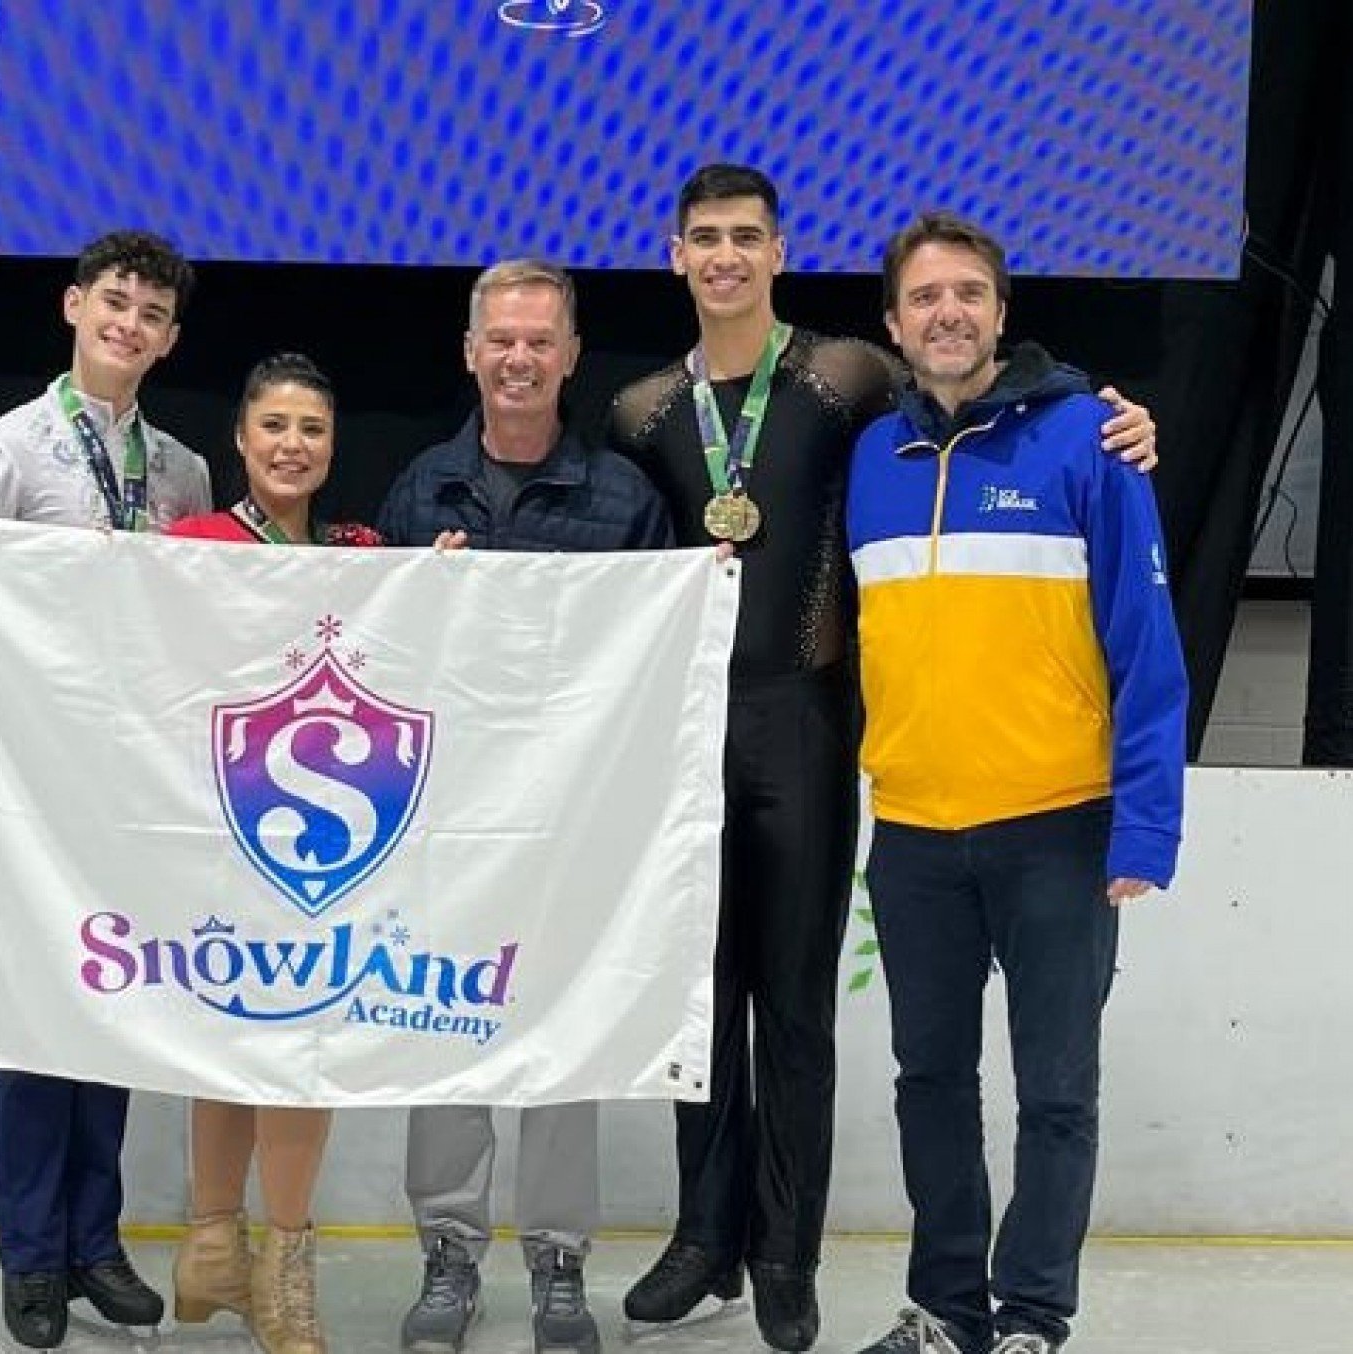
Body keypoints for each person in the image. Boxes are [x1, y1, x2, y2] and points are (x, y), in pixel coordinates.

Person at [605, 164, 1158, 1352]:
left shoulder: (861, 386)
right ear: (673, 253)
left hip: (869, 753)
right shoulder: (657, 413)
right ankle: (729, 1244)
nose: (726, 256)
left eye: (747, 236)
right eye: (705, 237)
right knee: (730, 1019)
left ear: (782, 251)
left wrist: (1124, 421)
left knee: (825, 1016)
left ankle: (818, 1262)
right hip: (771, 768)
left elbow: (1137, 627)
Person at [846, 212, 1186, 1354]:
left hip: (1060, 828)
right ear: (895, 325)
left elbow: (1147, 643)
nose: (949, 314)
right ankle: (947, 1308)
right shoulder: (871, 458)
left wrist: (1145, 828)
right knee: (929, 1083)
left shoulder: (1092, 439)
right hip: (913, 834)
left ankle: (1034, 1313)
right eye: (926, 298)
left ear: (1001, 312)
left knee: (1055, 1093)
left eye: (969, 295)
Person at [0, 229, 207, 1348]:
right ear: (75, 305)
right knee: (34, 1017)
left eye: (152, 314)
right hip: (24, 785)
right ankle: (30, 1256)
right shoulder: (2, 447)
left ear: (170, 340)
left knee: (114, 1010)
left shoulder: (182, 472)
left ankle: (96, 1242)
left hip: (131, 785)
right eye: (114, 301)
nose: (129, 323)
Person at [378, 259, 673, 1354]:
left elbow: (655, 665)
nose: (517, 358)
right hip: (448, 830)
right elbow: (382, 668)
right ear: (469, 351)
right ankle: (448, 1252)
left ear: (571, 355)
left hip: (571, 827)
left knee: (563, 1039)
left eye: (538, 341)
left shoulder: (624, 500)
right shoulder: (419, 490)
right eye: (500, 339)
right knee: (447, 1030)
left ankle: (559, 1260)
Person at [164, 352, 382, 1354]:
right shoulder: (196, 541)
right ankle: (217, 1242)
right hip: (219, 828)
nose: (293, 444)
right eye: (275, 427)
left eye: (312, 429)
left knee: (301, 1049)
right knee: (232, 1036)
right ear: (240, 441)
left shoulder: (364, 552)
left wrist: (451, 583)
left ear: (332, 449)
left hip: (328, 848)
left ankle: (280, 1266)